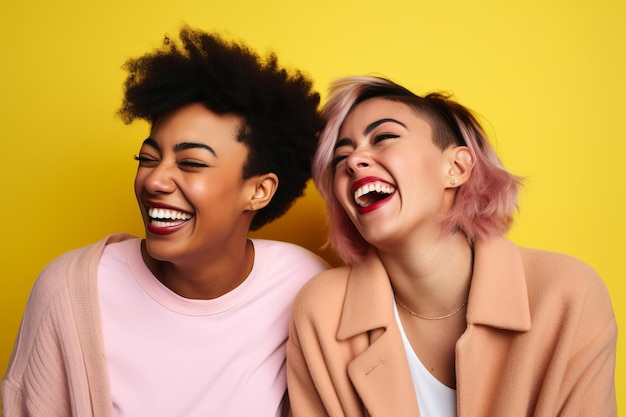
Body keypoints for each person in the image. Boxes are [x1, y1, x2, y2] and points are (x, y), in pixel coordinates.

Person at [2, 26, 329, 417]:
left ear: (258, 191)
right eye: (148, 158)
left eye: (191, 163)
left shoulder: (305, 286)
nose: (154, 180)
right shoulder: (70, 292)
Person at [286, 76, 617, 416]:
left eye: (383, 137)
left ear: (456, 168)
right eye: (341, 157)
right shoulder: (321, 312)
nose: (354, 162)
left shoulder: (566, 294)